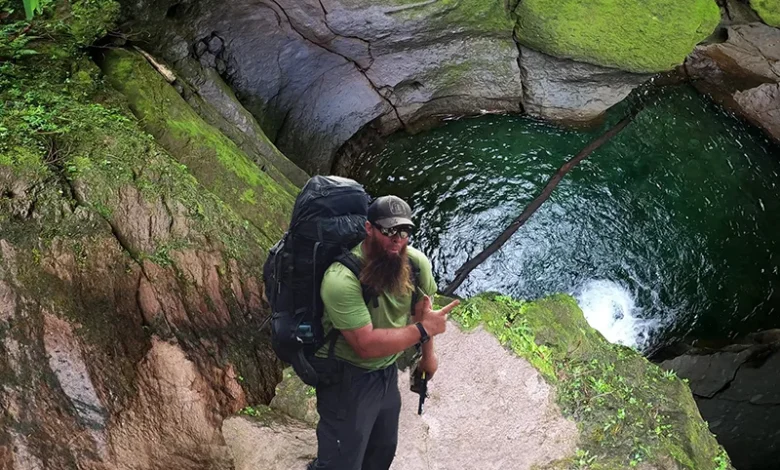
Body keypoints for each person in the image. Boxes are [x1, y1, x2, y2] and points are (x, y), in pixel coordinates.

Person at [308, 195, 460, 470]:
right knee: (343, 459)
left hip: (386, 372)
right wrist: (423, 329)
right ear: (369, 229)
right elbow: (364, 345)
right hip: (346, 375)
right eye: (388, 230)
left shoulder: (415, 265)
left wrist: (427, 357)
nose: (397, 239)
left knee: (383, 449)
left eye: (404, 231)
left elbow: (422, 311)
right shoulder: (341, 278)